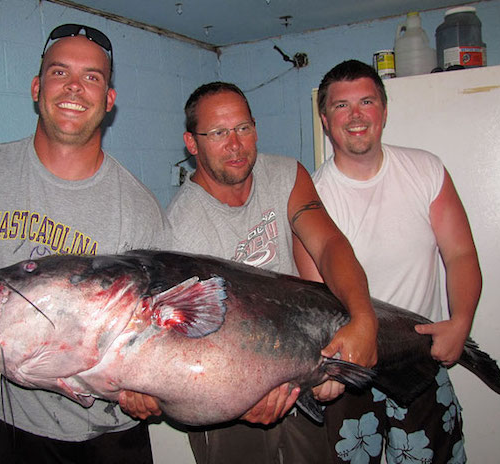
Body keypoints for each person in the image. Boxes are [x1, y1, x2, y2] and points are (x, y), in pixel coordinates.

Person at [0, 24, 168, 463]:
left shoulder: (140, 208)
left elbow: (162, 329)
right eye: (59, 73)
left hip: (111, 432)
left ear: (109, 101)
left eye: (92, 77)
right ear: (37, 88)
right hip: (15, 424)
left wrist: (148, 386)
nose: (75, 87)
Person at [158, 81, 378, 464]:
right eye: (218, 133)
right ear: (192, 144)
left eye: (243, 128)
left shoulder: (285, 175)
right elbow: (188, 346)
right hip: (231, 401)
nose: (235, 144)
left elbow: (328, 245)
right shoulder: (178, 230)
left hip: (302, 366)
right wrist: (245, 395)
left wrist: (362, 320)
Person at [300, 59, 482, 463]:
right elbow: (316, 300)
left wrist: (461, 321)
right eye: (341, 106)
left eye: (366, 101)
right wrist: (323, 371)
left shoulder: (426, 170)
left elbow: (461, 253)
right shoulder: (309, 196)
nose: (356, 115)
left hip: (420, 363)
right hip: (347, 371)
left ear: (383, 109)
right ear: (325, 120)